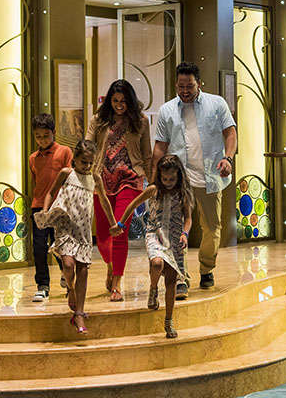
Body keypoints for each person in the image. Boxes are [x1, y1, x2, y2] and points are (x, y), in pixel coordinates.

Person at [152, 61, 236, 292]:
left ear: (199, 83)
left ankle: (206, 268)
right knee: (175, 229)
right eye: (181, 86)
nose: (185, 91)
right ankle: (180, 277)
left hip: (210, 177)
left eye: (189, 86)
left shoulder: (217, 104)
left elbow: (230, 133)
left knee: (211, 227)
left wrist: (228, 158)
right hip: (178, 181)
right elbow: (160, 147)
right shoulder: (167, 110)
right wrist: (155, 180)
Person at [34, 140, 115, 334]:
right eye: (83, 162)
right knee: (68, 265)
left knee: (83, 270)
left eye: (90, 163)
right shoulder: (66, 174)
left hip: (84, 231)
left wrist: (112, 223)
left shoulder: (94, 178)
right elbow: (51, 193)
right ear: (75, 160)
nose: (87, 166)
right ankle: (70, 288)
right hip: (66, 226)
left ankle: (79, 312)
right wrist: (45, 210)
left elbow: (103, 200)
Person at [111, 155, 193, 338]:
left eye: (172, 179)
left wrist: (185, 234)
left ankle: (168, 321)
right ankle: (154, 288)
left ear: (179, 176)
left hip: (174, 238)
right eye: (165, 179)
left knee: (171, 280)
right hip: (155, 234)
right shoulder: (154, 189)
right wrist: (121, 224)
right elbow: (133, 204)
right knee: (156, 263)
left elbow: (188, 218)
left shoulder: (183, 193)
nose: (168, 182)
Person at [87, 79, 152, 302]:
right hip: (102, 180)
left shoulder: (141, 121)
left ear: (130, 101)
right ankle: (110, 263)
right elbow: (87, 146)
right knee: (104, 237)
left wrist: (151, 182)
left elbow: (147, 154)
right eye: (115, 101)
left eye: (124, 101)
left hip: (130, 179)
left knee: (120, 229)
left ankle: (117, 283)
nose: (119, 105)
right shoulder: (99, 120)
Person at [27, 114, 72, 302]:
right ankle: (43, 285)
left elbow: (70, 178)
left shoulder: (64, 152)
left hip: (60, 209)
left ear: (53, 133)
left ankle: (69, 280)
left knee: (61, 246)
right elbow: (36, 182)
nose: (42, 140)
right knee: (39, 247)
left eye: (46, 135)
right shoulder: (33, 158)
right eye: (38, 136)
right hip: (39, 208)